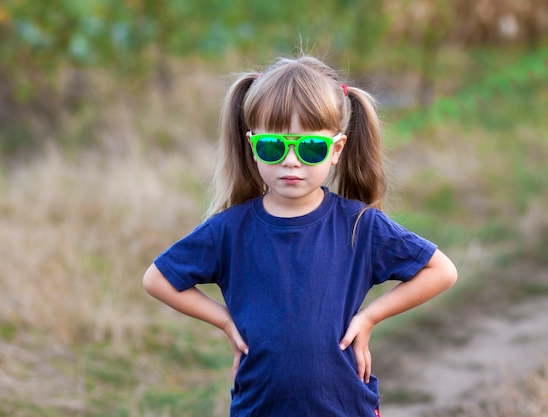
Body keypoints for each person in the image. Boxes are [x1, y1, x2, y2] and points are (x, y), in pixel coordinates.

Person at [143, 54, 457, 417]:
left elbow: (441, 271)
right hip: (259, 408)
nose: (290, 161)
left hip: (344, 407)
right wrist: (226, 321)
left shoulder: (359, 225)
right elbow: (158, 279)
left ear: (336, 149)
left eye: (309, 148)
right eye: (274, 147)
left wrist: (369, 317)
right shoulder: (230, 229)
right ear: (253, 146)